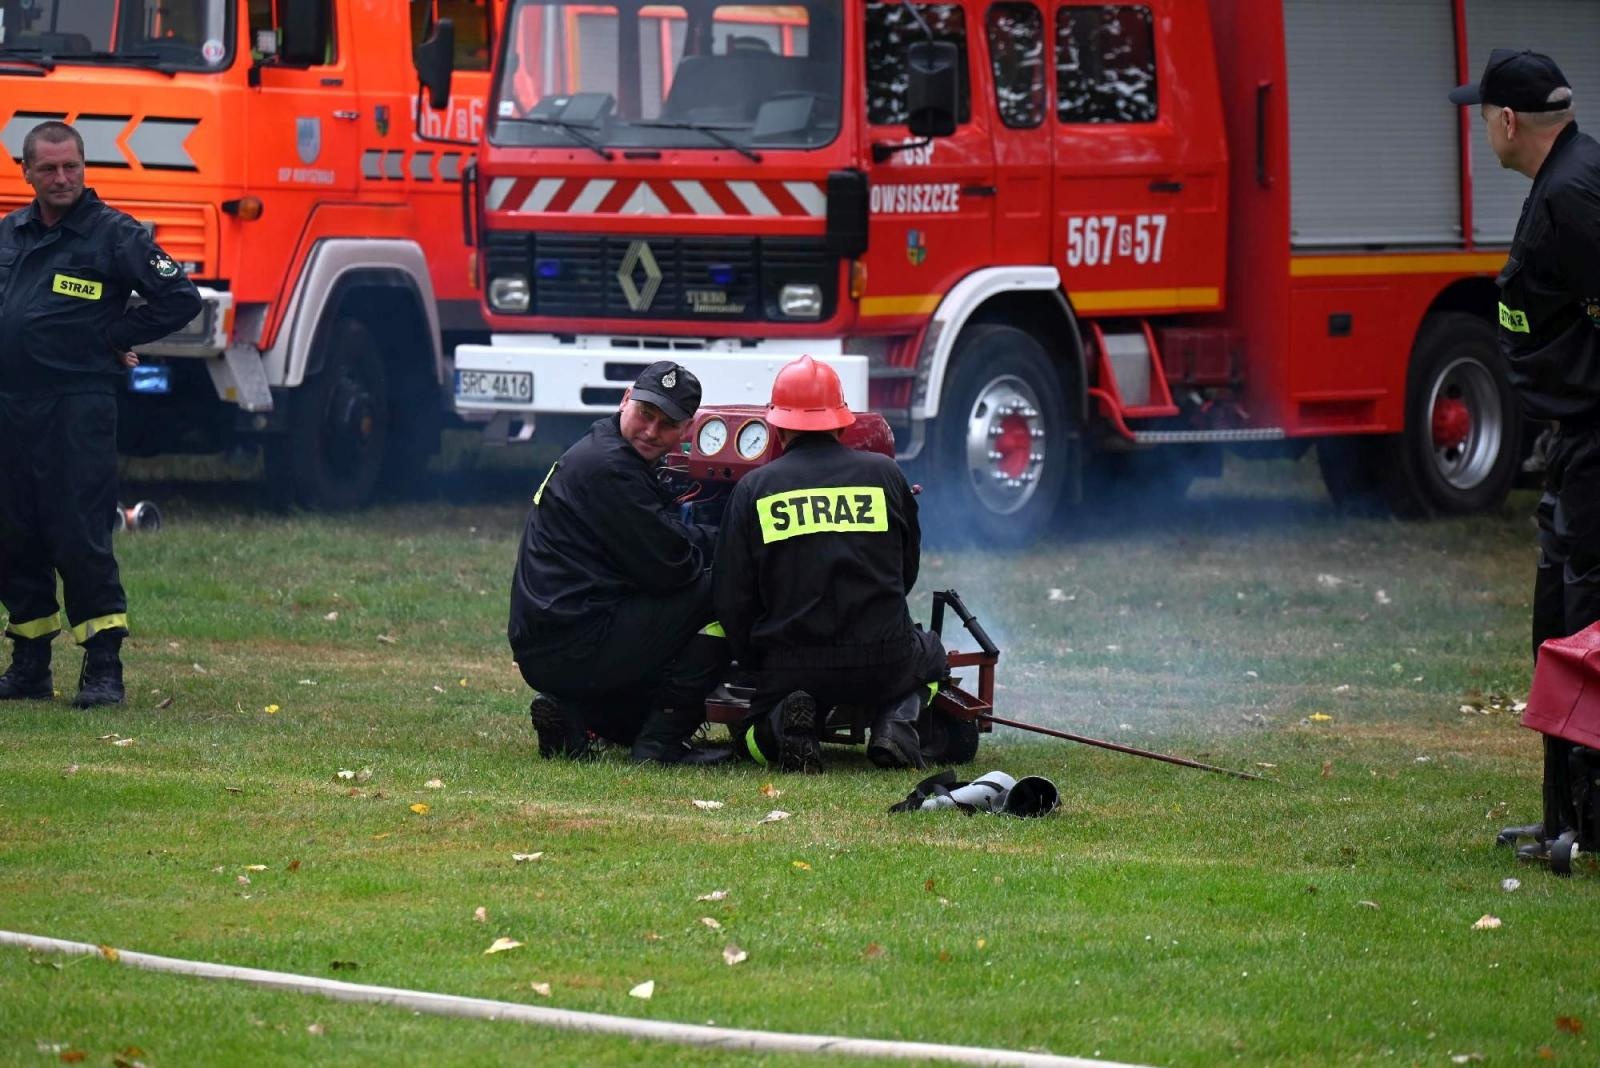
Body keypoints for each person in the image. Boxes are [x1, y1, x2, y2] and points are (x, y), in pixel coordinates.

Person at [1451, 51, 1600, 858]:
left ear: (1507, 122)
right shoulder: (1569, 180)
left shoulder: (1575, 197)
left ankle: (1585, 821)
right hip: (1570, 444)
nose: (1480, 128)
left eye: (1481, 115)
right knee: (1557, 629)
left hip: (1593, 449)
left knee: (1583, 634)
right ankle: (1564, 817)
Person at [0, 120, 201, 708]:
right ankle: (29, 663)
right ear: (26, 173)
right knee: (13, 534)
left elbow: (179, 297)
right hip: (10, 405)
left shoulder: (115, 234)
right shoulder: (9, 233)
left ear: (84, 168)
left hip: (76, 406)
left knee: (77, 532)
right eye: (48, 169)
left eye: (71, 167)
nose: (61, 178)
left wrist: (114, 332)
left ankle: (103, 667)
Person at [712, 355, 946, 773]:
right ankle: (894, 724)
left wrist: (754, 661)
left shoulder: (754, 488)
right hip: (884, 658)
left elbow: (732, 594)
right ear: (841, 422)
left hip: (792, 664)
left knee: (748, 739)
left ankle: (782, 723)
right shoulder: (886, 474)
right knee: (932, 656)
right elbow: (905, 570)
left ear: (778, 427)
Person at [508, 361, 729, 764]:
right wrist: (729, 538)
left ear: (687, 431)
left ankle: (573, 715)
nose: (651, 431)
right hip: (576, 641)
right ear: (626, 400)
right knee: (726, 584)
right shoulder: (611, 469)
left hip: (548, 639)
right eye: (646, 414)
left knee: (630, 721)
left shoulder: (601, 446)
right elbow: (672, 569)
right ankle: (661, 743)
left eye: (667, 424)